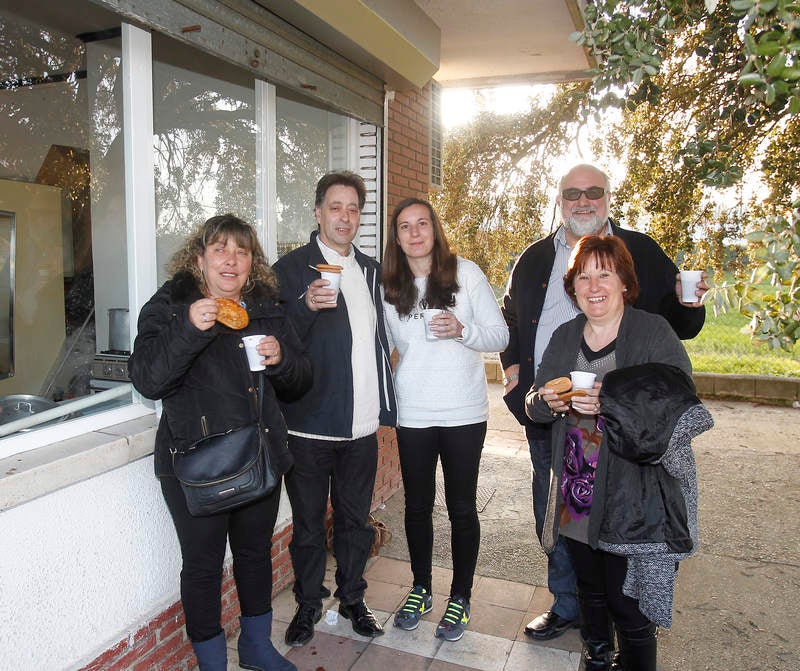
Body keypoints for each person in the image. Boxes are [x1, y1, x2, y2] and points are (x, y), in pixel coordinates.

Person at [500, 163, 709, 641]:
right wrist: (516, 377)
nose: (583, 200)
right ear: (559, 201)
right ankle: (569, 606)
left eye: (593, 191)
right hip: (560, 426)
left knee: (622, 535)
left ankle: (625, 620)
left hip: (630, 443)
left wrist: (687, 304)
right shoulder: (534, 259)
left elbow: (680, 332)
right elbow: (510, 316)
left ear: (609, 197)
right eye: (572, 193)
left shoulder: (640, 251)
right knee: (561, 523)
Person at [128, 215, 312, 671]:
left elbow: (301, 380)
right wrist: (190, 327)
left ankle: (256, 646)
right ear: (199, 258)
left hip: (260, 457)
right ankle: (212, 663)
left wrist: (282, 358)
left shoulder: (267, 306)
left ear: (253, 262)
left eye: (241, 251)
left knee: (254, 554)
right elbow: (148, 380)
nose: (231, 260)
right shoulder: (171, 305)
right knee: (203, 567)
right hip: (195, 464)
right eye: (220, 250)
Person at [272, 171, 397, 647]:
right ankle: (306, 604)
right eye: (335, 207)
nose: (344, 217)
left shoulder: (371, 271)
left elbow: (383, 337)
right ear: (318, 211)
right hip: (307, 426)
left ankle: (352, 598)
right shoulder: (290, 270)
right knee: (306, 527)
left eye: (352, 209)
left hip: (362, 426)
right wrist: (304, 306)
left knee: (354, 521)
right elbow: (277, 344)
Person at [381, 198, 509, 641]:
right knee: (417, 507)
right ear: (395, 237)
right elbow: (387, 348)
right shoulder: (390, 285)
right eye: (404, 227)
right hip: (413, 411)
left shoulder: (465, 273)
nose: (414, 233)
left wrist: (464, 331)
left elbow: (500, 334)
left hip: (463, 413)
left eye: (422, 224)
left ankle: (460, 596)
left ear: (434, 229)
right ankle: (421, 587)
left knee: (461, 507)